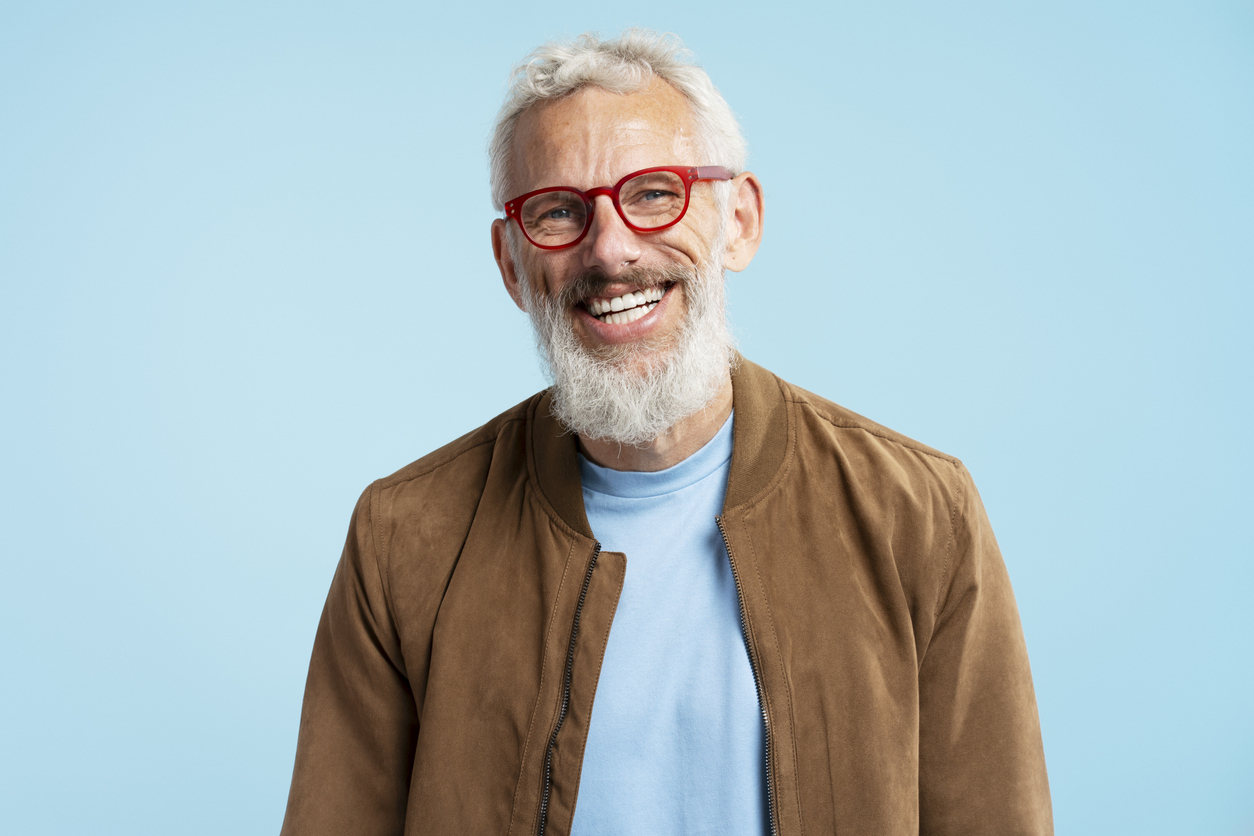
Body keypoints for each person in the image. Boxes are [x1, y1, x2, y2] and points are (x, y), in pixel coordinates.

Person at [280, 29, 1052, 836]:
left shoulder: (922, 516)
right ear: (511, 263)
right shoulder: (403, 539)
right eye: (557, 211)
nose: (610, 249)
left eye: (654, 192)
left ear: (740, 221)